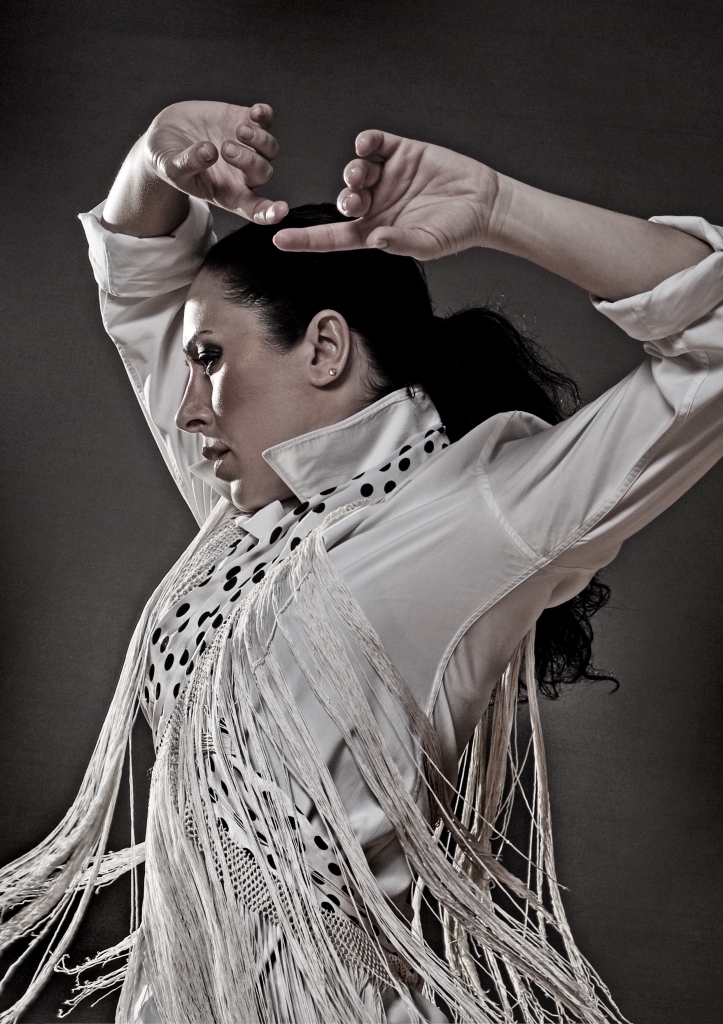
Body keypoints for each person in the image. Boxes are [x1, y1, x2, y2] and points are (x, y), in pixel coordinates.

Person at [0, 98, 721, 1024]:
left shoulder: (473, 515)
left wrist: (500, 207)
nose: (185, 410)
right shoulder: (245, 516)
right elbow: (138, 286)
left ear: (327, 347)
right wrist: (153, 156)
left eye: (209, 359)